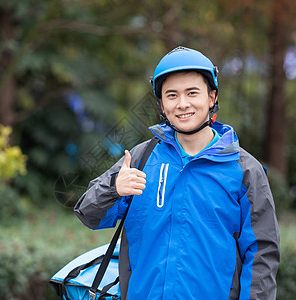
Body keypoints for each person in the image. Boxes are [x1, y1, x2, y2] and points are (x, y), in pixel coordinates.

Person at [74, 46, 280, 299]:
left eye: (192, 93)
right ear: (161, 103)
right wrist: (114, 187)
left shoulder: (244, 169)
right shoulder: (141, 158)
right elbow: (88, 214)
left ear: (212, 97)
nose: (182, 104)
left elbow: (261, 253)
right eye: (172, 95)